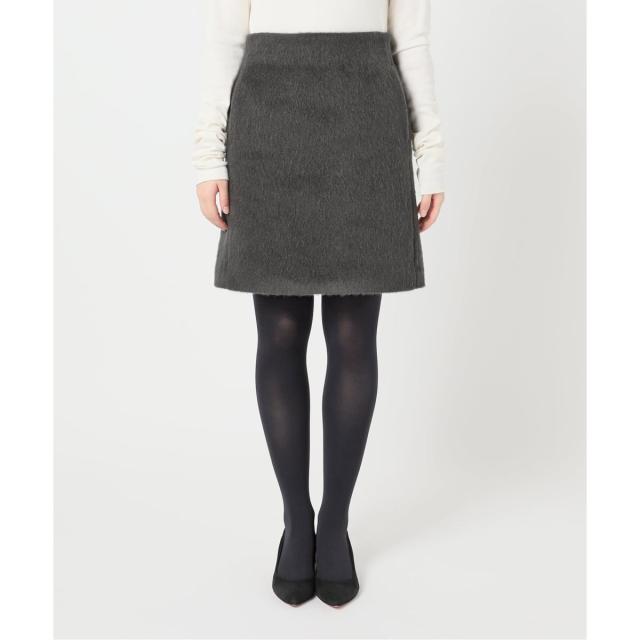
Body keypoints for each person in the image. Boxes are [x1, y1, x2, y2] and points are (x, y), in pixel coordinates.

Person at [193, 0, 445, 607]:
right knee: (280, 332)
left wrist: (431, 154)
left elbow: (410, 39)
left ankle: (334, 523)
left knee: (354, 335)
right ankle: (296, 519)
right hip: (268, 120)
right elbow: (224, 39)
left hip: (366, 120)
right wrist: (208, 155)